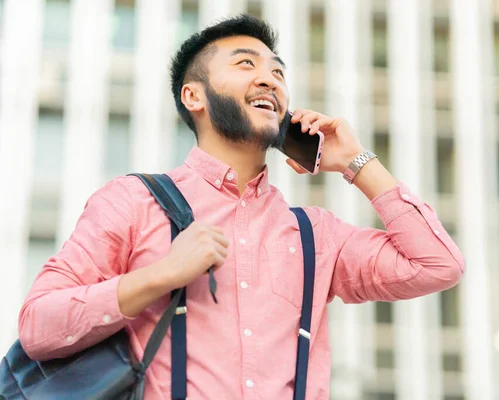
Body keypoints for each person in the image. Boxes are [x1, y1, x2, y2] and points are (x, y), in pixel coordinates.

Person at [18, 14, 465, 400]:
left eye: (278, 71)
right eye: (246, 64)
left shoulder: (316, 235)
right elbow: (38, 326)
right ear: (194, 97)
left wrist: (357, 162)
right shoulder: (134, 202)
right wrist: (161, 276)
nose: (269, 78)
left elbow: (437, 265)